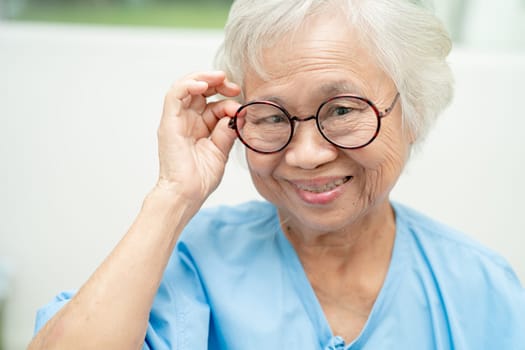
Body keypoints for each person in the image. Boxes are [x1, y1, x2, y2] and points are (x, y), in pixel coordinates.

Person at [29, 0, 525, 349]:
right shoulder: (190, 265)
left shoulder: (481, 288)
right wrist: (173, 194)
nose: (306, 154)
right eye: (271, 116)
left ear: (412, 112)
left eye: (342, 110)